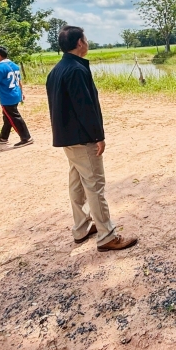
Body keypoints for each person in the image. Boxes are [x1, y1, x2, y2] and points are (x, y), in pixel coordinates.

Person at [46, 25, 138, 252]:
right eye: (85, 39)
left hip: (67, 138)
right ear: (79, 43)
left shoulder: (57, 70)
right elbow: (85, 107)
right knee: (95, 185)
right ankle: (107, 235)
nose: (87, 43)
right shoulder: (76, 70)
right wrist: (98, 135)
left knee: (77, 183)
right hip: (82, 137)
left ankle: (82, 227)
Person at [0, 46, 33, 147]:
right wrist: (21, 92)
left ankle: (26, 138)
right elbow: (19, 81)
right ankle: (3, 137)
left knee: (14, 117)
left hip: (7, 98)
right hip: (16, 95)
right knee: (8, 116)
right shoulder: (14, 65)